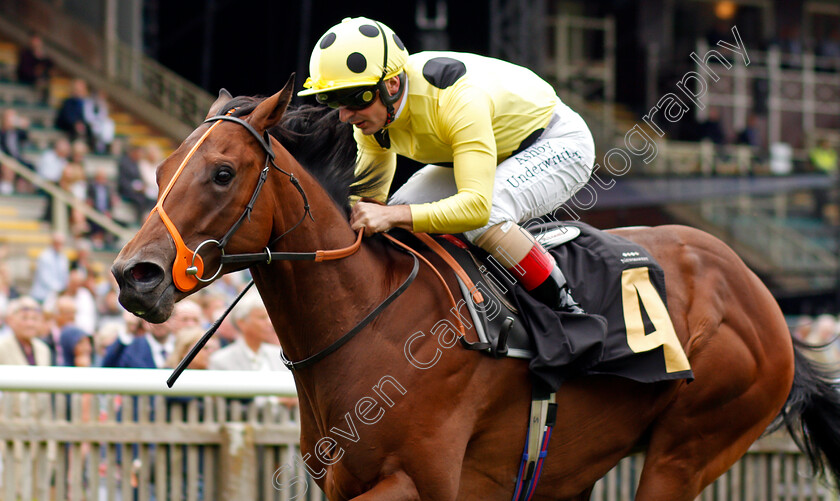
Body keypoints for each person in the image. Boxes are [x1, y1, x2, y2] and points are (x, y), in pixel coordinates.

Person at [299, 17, 596, 313]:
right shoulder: (371, 118)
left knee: (486, 216)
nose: (344, 116)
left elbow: (476, 208)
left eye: (353, 99)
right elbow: (368, 207)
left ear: (391, 85)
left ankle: (567, 311)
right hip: (492, 149)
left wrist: (393, 214)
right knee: (398, 213)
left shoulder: (457, 99)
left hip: (557, 141)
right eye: (332, 100)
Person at [208, 291, 283, 371]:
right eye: (262, 318)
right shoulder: (220, 360)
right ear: (241, 322)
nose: (269, 323)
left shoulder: (279, 356)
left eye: (269, 317)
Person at [0, 296, 51, 366]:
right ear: (11, 320)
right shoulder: (2, 347)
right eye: (24, 318)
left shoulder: (43, 349)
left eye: (34, 318)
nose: (30, 324)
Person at [29, 232, 70, 304]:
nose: (60, 245)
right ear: (53, 242)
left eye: (62, 243)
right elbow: (45, 277)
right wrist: (59, 289)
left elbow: (65, 276)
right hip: (42, 295)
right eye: (57, 243)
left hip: (56, 296)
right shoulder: (44, 256)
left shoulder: (63, 258)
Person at [16, 33, 53, 104]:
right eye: (34, 41)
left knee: (45, 85)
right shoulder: (25, 54)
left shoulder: (44, 56)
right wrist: (35, 76)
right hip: (27, 80)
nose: (36, 44)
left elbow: (49, 67)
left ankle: (44, 103)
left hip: (40, 81)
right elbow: (23, 70)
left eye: (38, 41)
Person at [54, 79, 91, 143]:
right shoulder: (67, 102)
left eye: (80, 90)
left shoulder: (87, 103)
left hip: (83, 127)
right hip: (69, 127)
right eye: (76, 89)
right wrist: (76, 124)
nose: (78, 92)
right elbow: (66, 117)